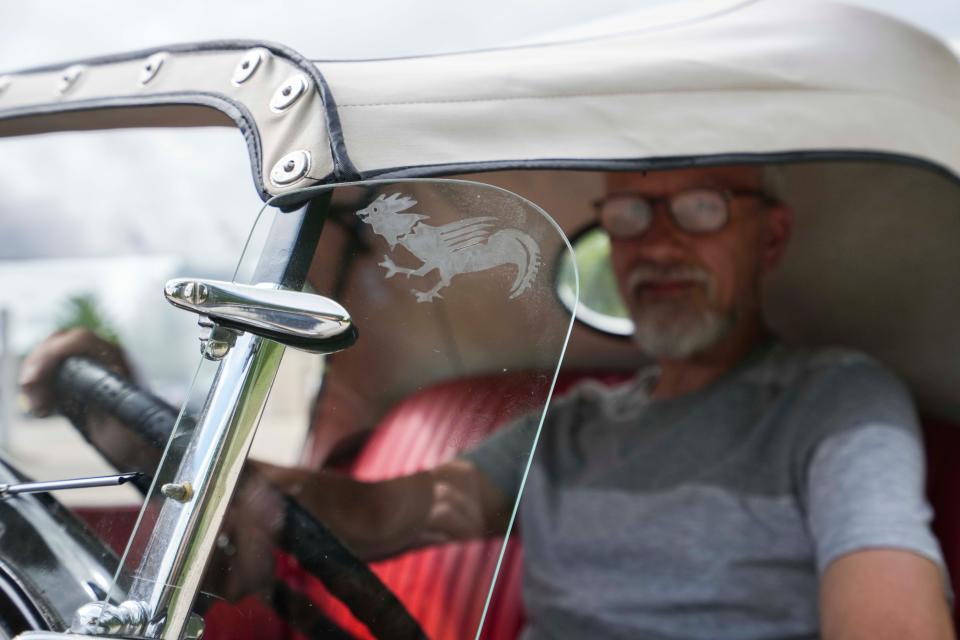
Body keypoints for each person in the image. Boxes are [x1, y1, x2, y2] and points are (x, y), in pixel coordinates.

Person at [20, 165, 955, 639]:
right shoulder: (576, 423)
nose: (656, 244)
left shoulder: (834, 398)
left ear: (773, 235)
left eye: (700, 209)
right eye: (630, 215)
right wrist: (154, 434)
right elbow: (397, 509)